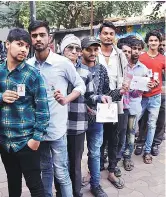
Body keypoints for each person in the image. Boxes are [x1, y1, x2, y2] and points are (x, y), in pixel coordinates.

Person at [27, 20, 86, 197]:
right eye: (34, 35)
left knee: (61, 172)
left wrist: (66, 99)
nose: (38, 39)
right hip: (38, 130)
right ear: (31, 39)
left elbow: (80, 85)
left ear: (49, 38)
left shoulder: (62, 63)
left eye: (42, 35)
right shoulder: (28, 66)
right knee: (45, 170)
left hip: (58, 129)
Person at [58, 34, 112, 197]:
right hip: (57, 123)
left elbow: (91, 94)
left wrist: (101, 98)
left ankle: (80, 190)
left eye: (77, 48)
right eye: (70, 48)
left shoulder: (87, 72)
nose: (74, 51)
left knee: (80, 159)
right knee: (59, 163)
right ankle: (61, 191)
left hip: (78, 123)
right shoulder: (55, 69)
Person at [0, 28, 50, 197]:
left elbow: (43, 110)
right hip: (5, 143)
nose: (24, 49)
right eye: (19, 44)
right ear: (8, 44)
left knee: (35, 186)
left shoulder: (33, 75)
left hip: (26, 142)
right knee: (13, 184)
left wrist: (36, 139)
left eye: (27, 46)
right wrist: (1, 97)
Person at [81, 36, 128, 196]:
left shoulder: (101, 69)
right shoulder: (75, 68)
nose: (93, 53)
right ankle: (75, 184)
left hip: (97, 118)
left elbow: (106, 92)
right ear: (82, 51)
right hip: (77, 119)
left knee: (95, 152)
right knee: (75, 153)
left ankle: (95, 184)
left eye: (95, 49)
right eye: (89, 49)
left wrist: (119, 92)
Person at [98, 21, 128, 189]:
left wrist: (124, 87)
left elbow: (125, 76)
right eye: (105, 33)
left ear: (114, 36)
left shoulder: (119, 54)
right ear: (100, 35)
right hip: (98, 102)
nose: (108, 36)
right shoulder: (95, 53)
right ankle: (94, 169)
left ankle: (111, 169)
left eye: (111, 33)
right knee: (96, 138)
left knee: (113, 137)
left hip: (116, 102)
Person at [135, 30, 165, 164]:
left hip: (156, 97)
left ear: (159, 43)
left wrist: (160, 83)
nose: (153, 43)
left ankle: (147, 151)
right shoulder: (141, 57)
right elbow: (134, 74)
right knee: (133, 123)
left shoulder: (163, 58)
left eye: (156, 41)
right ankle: (128, 149)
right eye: (151, 40)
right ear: (147, 42)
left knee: (152, 124)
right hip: (140, 97)